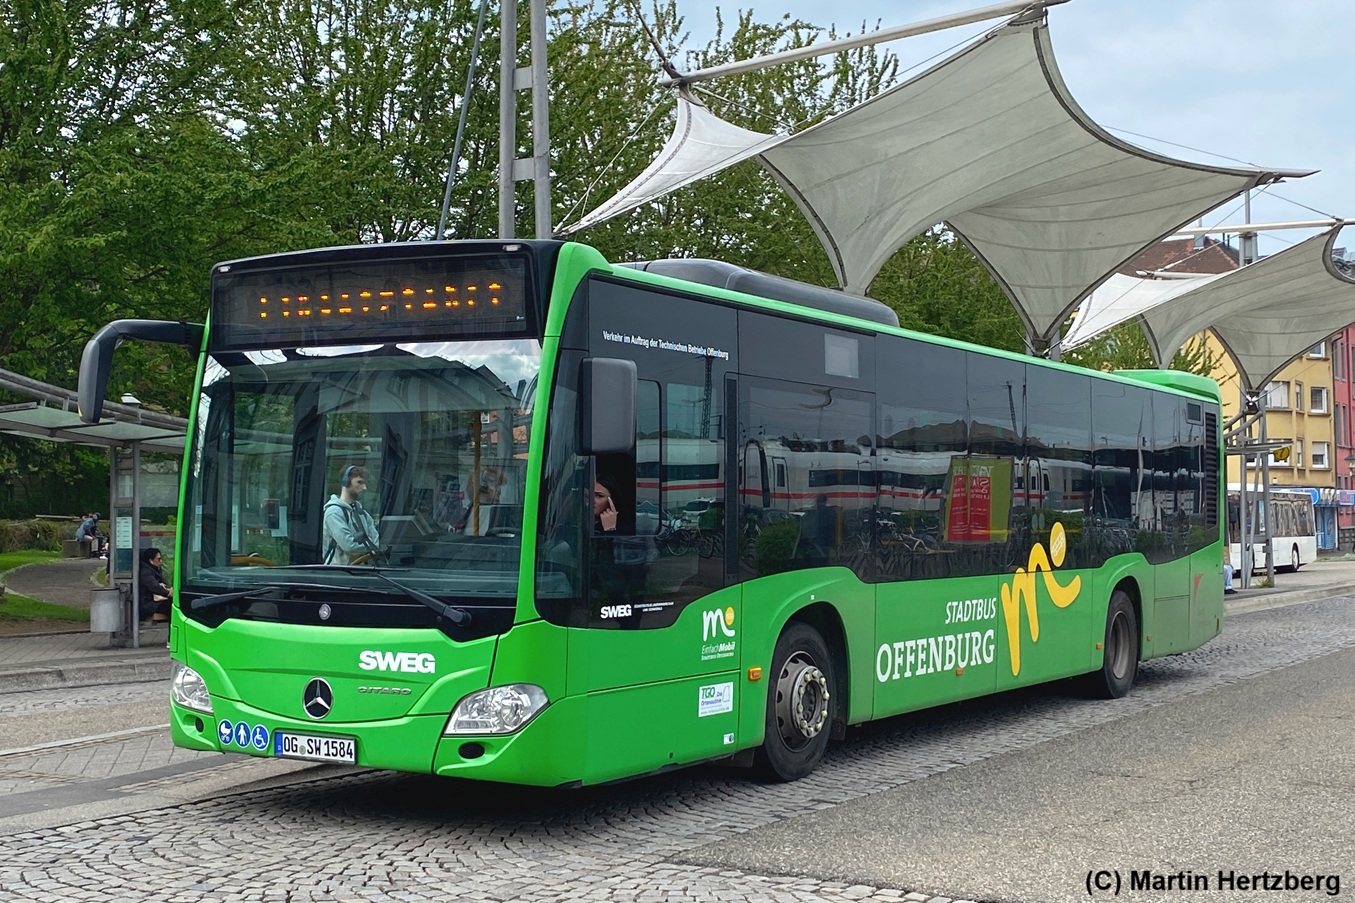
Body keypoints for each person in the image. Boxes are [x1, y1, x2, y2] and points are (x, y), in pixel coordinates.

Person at [323, 465, 381, 565]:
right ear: (346, 482)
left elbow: (377, 542)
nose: (364, 488)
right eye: (359, 482)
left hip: (360, 572)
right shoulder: (334, 512)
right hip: (338, 574)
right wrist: (369, 544)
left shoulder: (363, 513)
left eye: (365, 483)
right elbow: (349, 546)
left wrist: (361, 547)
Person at [138, 547, 173, 623]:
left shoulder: (154, 570)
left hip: (152, 601)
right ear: (151, 560)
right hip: (147, 604)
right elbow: (155, 587)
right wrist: (168, 593)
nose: (161, 561)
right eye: (158, 559)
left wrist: (168, 588)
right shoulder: (146, 572)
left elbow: (163, 583)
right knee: (172, 606)